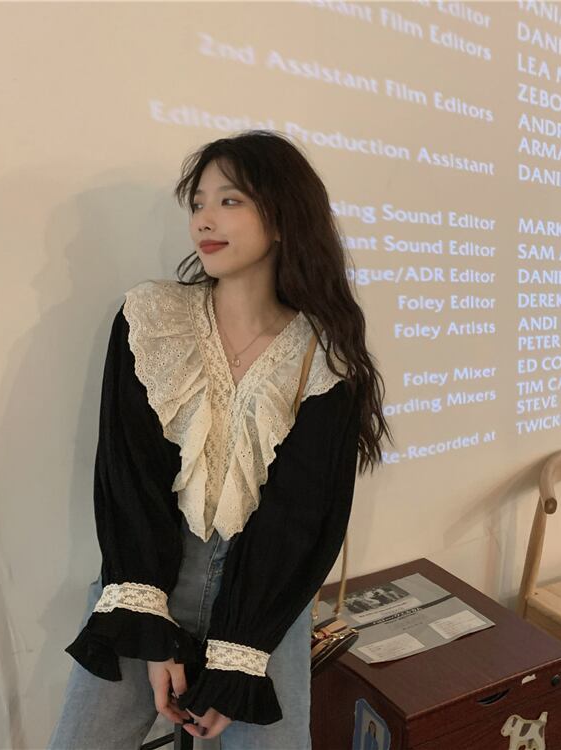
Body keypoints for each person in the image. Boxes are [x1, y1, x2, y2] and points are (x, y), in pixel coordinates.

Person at [48, 129, 393, 749]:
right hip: (143, 583)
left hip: (265, 601)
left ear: (283, 217)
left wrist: (241, 655)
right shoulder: (151, 318)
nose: (205, 219)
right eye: (198, 203)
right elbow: (128, 475)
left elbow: (302, 515)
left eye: (230, 200)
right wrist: (152, 632)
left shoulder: (324, 356)